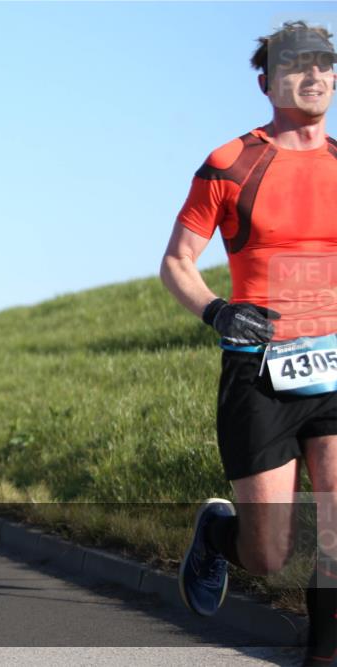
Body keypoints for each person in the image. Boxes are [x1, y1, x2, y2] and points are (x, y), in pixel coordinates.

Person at [160, 21, 336, 665]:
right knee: (268, 553)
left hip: (335, 367)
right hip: (259, 372)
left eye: (324, 64)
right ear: (267, 83)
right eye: (296, 66)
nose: (313, 76)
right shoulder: (231, 164)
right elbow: (177, 261)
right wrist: (217, 311)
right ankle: (217, 534)